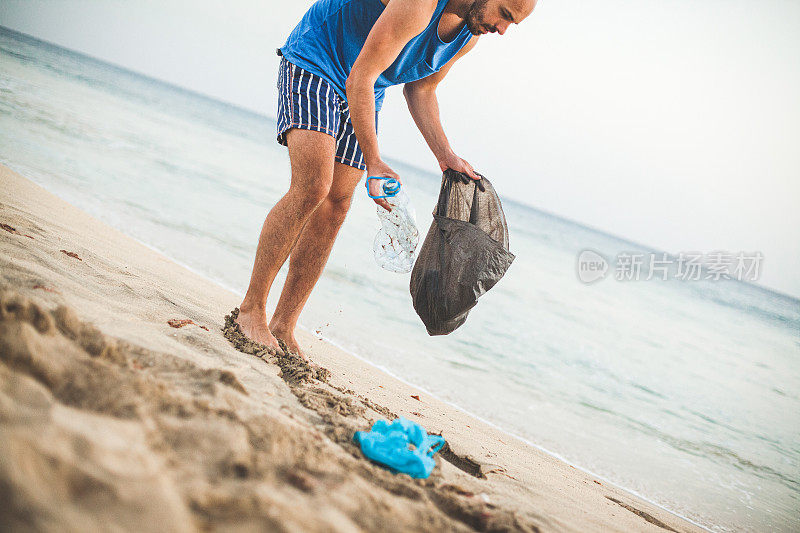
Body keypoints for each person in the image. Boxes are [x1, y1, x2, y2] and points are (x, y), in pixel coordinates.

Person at [234, 0, 535, 360]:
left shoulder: (466, 37)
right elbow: (360, 74)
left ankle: (284, 325)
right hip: (318, 61)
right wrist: (374, 160)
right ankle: (251, 311)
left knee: (338, 203)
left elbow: (421, 90)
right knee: (314, 185)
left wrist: (445, 156)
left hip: (366, 87)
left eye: (511, 23)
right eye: (504, 13)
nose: (502, 29)